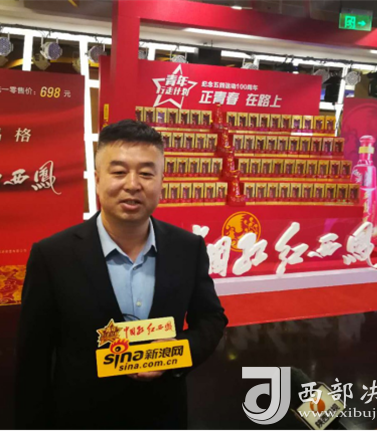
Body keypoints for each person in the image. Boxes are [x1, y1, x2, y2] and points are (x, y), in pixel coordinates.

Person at [14, 119, 228, 429]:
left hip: (163, 415)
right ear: (97, 180)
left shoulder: (188, 248)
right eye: (118, 172)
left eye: (146, 173)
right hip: (82, 417)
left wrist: (174, 353)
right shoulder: (53, 255)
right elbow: (33, 357)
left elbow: (211, 319)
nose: (132, 184)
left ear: (161, 181)